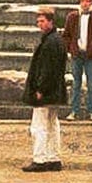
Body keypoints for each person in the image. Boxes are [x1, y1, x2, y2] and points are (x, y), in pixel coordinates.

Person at [24, 10, 67, 172]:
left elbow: (47, 69)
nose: (39, 24)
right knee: (52, 124)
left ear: (50, 21)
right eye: (38, 21)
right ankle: (53, 157)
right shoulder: (56, 40)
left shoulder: (50, 42)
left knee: (39, 125)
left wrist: (40, 88)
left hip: (47, 90)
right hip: (55, 90)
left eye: (42, 21)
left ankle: (40, 158)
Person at [63, 0, 92, 120]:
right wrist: (71, 48)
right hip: (77, 54)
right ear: (80, 2)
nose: (85, 4)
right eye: (83, 1)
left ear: (91, 3)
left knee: (91, 83)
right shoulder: (72, 17)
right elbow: (66, 35)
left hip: (90, 55)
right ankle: (74, 111)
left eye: (88, 1)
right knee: (76, 83)